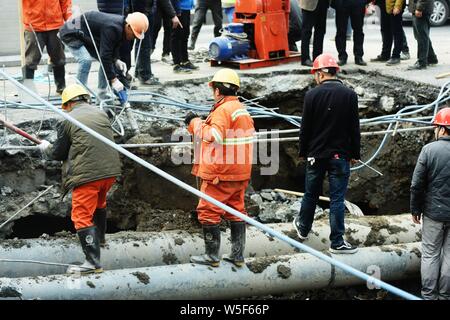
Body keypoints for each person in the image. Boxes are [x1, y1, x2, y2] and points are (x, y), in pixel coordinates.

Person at [38, 84, 122, 274]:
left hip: (88, 176)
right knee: (99, 203)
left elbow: (58, 152)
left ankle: (93, 263)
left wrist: (46, 147)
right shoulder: (100, 113)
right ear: (85, 98)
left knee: (81, 215)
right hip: (110, 172)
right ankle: (99, 239)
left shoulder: (67, 119)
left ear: (67, 104)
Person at [185, 69, 255, 267]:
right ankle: (237, 255)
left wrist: (195, 123)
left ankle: (211, 256)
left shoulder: (223, 111)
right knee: (236, 210)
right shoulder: (240, 109)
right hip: (239, 172)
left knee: (208, 211)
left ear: (217, 91)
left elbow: (214, 136)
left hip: (220, 173)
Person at [293, 53, 361, 254]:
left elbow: (305, 128)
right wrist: (355, 153)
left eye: (315, 73)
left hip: (316, 155)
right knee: (337, 199)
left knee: (311, 194)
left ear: (321, 74)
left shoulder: (312, 96)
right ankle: (337, 241)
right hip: (340, 156)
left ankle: (303, 229)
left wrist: (303, 151)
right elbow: (353, 128)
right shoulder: (349, 95)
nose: (315, 77)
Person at [59, 11, 149, 100]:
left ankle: (102, 94)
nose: (134, 38)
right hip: (71, 33)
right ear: (128, 26)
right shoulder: (113, 28)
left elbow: (113, 47)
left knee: (108, 61)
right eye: (134, 35)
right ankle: (78, 95)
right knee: (85, 60)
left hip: (86, 35)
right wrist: (114, 80)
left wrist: (116, 59)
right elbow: (105, 56)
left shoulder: (121, 28)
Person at [410, 107, 450, 300]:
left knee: (430, 255)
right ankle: (445, 296)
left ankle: (428, 296)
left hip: (434, 213)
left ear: (442, 129)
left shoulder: (429, 150)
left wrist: (415, 209)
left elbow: (417, 184)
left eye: (436, 127)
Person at [22, 0, 72, 94]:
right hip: (34, 25)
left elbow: (65, 2)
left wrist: (69, 19)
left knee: (59, 59)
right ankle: (27, 91)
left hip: (55, 25)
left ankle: (61, 88)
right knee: (31, 60)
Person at [332, 0, 369, 66]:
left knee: (359, 31)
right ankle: (342, 56)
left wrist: (364, 2)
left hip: (358, 3)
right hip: (342, 3)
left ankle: (359, 57)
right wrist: (335, 3)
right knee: (340, 31)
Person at [407, 0, 438, 70]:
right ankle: (431, 58)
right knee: (422, 35)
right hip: (418, 7)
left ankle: (422, 62)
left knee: (422, 37)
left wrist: (419, 8)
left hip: (421, 9)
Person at [171, 0, 199, 73]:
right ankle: (176, 64)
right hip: (178, 9)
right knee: (176, 36)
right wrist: (176, 11)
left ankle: (185, 61)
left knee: (185, 35)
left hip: (186, 8)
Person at [299, 0, 330, 66]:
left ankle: (318, 57)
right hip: (309, 4)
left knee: (321, 30)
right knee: (307, 31)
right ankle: (305, 59)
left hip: (323, 3)